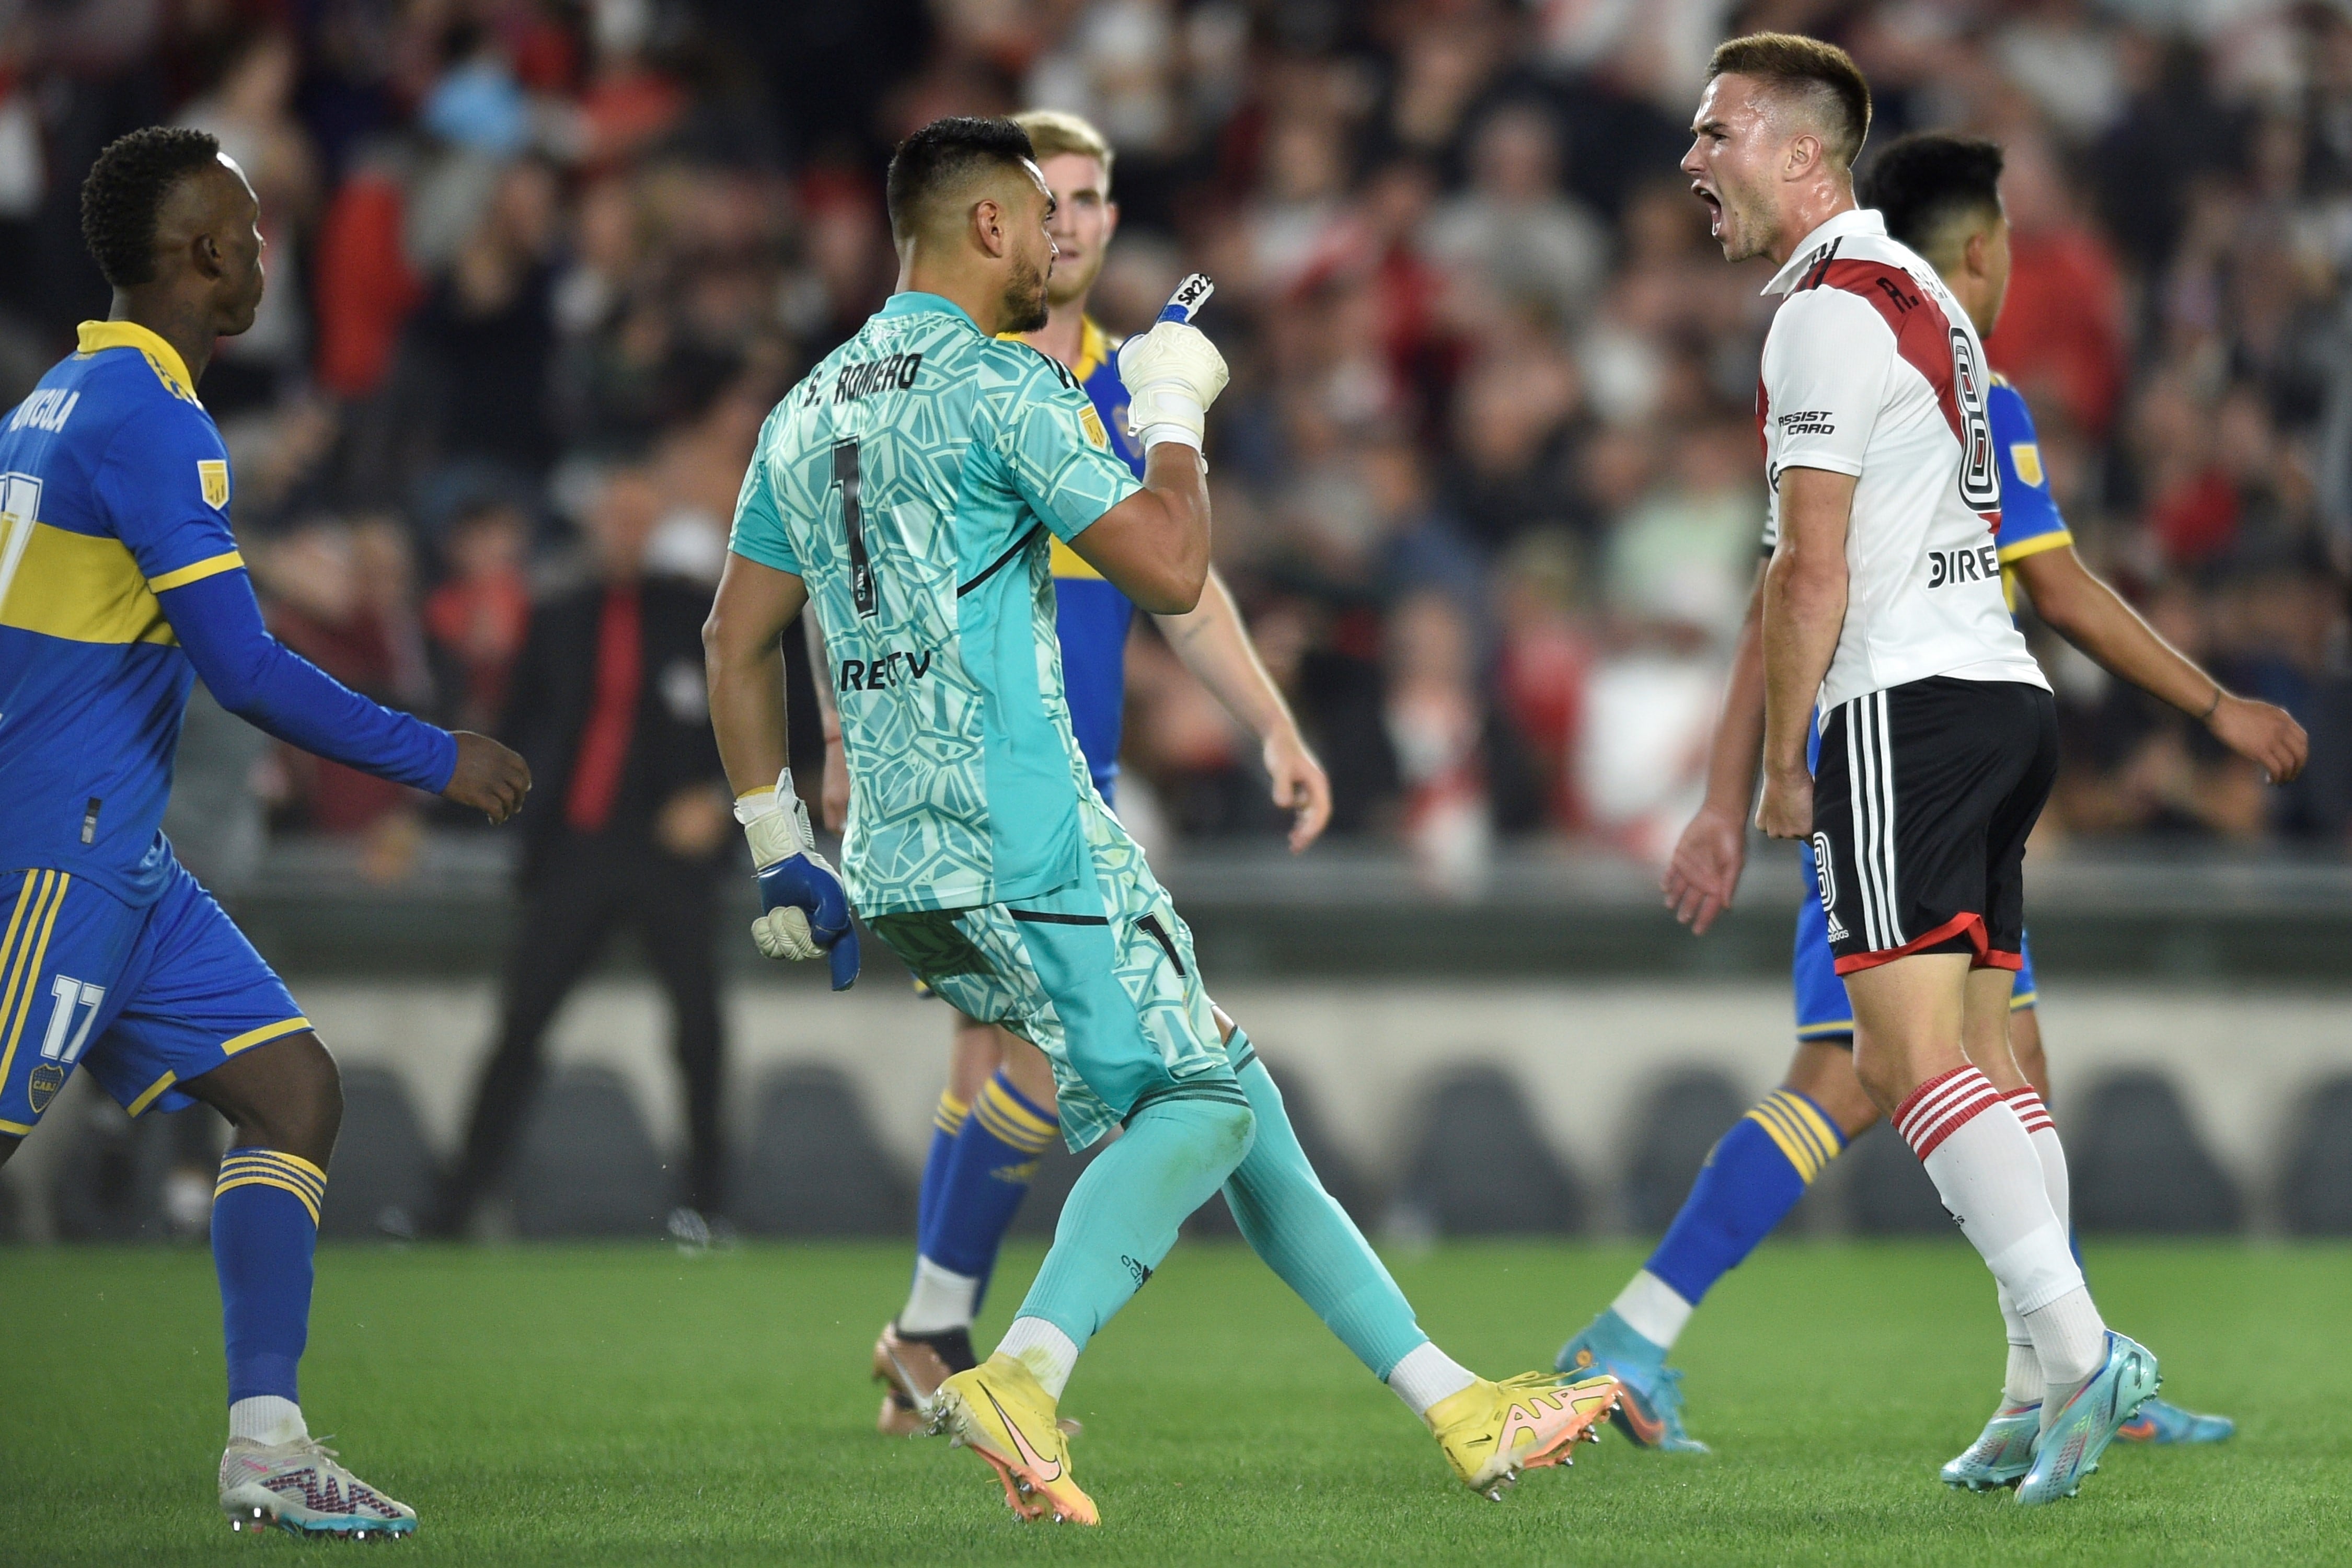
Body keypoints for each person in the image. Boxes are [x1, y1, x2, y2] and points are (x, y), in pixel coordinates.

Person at [704, 116, 1619, 1525]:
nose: (1056, 245)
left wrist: (778, 849)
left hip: (895, 857)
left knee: (1234, 1096)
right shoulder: (1006, 387)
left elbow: (732, 638)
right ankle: (1021, 1366)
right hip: (1026, 827)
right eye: (1037, 216)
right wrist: (1176, 410)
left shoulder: (807, 405)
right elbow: (1172, 565)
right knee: (1192, 1107)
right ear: (989, 227)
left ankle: (1457, 1404)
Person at [1554, 128, 2308, 1470]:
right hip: (1896, 751)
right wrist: (1748, 791)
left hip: (1921, 753)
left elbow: (1783, 587)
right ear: (1979, 250)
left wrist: (1737, 794)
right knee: (1870, 1070)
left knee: (1957, 1066)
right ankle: (2053, 1359)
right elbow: (1940, 592)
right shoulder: (1947, 375)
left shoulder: (1883, 359)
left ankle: (2044, 1377)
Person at [1655, 37, 2165, 1505]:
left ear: (1804, 157)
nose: (1693, 159)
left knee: (1899, 1057)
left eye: (1717, 134)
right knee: (1997, 1058)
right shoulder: (1932, 300)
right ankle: (2034, 1388)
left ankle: (2078, 1355)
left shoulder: (1819, 316)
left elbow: (1805, 567)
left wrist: (1777, 771)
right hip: (2001, 701)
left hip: (1900, 706)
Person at [0, 126, 530, 1537]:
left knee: (291, 1090)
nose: (263, 251)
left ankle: (268, 1447)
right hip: (51, 850)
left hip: (120, 849)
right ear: (201, 256)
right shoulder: (151, 420)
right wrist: (437, 753)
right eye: (246, 227)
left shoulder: (62, 394)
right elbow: (241, 667)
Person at [850, 107, 1335, 1439]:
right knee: (1028, 1057)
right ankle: (943, 1330)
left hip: (1078, 773)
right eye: (1041, 197)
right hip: (982, 771)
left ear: (1110, 220)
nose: (1063, 222)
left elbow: (1183, 593)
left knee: (987, 1060)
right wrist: (847, 746)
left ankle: (927, 1325)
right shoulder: (956, 372)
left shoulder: (1128, 381)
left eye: (1084, 199)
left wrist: (1272, 725)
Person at [431, 467, 764, 1240]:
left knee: (699, 1028)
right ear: (593, 526)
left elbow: (754, 708)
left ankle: (711, 1204)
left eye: (641, 519)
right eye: (615, 518)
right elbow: (519, 725)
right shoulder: (558, 616)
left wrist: (718, 797)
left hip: (669, 852)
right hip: (576, 847)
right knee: (521, 1023)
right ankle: (456, 1203)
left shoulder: (696, 615)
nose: (626, 533)